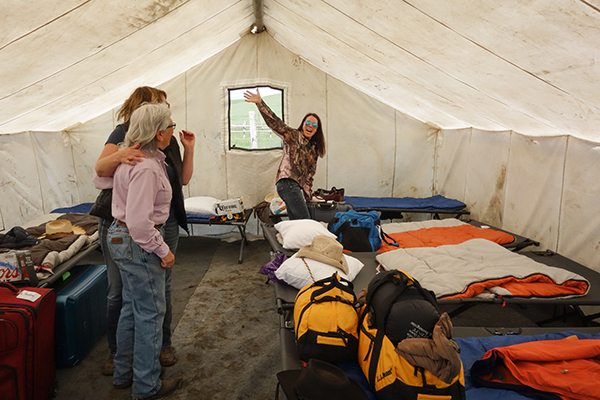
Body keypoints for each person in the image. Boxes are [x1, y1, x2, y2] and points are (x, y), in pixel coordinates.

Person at [90, 86, 195, 375]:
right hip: (140, 239)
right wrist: (163, 249)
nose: (173, 125)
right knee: (149, 311)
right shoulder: (144, 164)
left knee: (130, 306)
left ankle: (123, 371)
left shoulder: (145, 157)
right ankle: (147, 383)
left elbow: (104, 182)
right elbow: (139, 223)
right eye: (169, 122)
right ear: (158, 131)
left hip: (126, 236)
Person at [244, 88, 326, 219]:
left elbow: (309, 177)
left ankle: (289, 238)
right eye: (308, 123)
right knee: (304, 220)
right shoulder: (293, 136)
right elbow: (276, 123)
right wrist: (260, 103)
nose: (310, 126)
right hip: (287, 183)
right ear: (303, 124)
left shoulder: (313, 151)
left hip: (294, 187)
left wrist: (309, 198)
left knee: (296, 221)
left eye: (314, 125)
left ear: (317, 130)